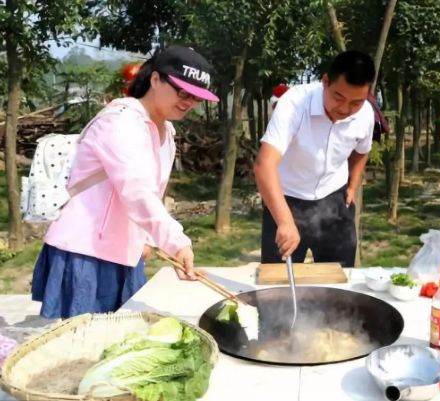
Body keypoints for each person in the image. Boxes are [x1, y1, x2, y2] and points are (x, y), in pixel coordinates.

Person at [32, 46, 220, 319]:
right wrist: (176, 242)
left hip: (124, 252)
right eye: (182, 92)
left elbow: (153, 192)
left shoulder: (166, 130)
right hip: (87, 250)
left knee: (119, 339)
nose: (188, 102)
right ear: (155, 79)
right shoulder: (120, 122)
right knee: (87, 342)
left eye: (196, 97)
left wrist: (146, 238)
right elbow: (136, 190)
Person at [254, 50, 375, 267]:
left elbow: (362, 149)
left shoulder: (365, 113)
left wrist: (353, 184)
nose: (345, 109)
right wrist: (284, 221)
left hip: (334, 199)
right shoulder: (294, 104)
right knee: (278, 282)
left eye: (355, 102)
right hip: (286, 200)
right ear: (325, 82)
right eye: (338, 97)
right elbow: (264, 165)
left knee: (340, 280)